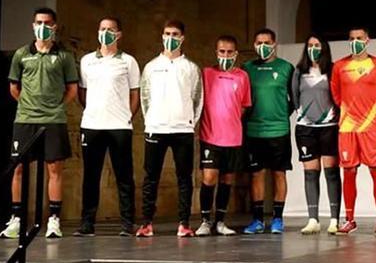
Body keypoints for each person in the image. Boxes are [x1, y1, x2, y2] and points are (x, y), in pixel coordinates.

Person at [0, 8, 78, 239]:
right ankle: (16, 219)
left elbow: (72, 89)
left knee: (54, 169)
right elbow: (14, 87)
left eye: (47, 22)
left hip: (53, 120)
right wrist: (28, 104)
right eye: (38, 22)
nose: (42, 26)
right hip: (25, 119)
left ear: (54, 26)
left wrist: (55, 107)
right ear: (33, 25)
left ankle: (54, 220)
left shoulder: (63, 56)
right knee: (19, 168)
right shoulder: (22, 54)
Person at [137, 19, 203, 237]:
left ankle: (184, 223)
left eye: (175, 34)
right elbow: (145, 98)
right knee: (151, 177)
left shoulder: (191, 68)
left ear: (182, 38)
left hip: (183, 130)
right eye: (167, 33)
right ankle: (147, 223)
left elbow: (197, 99)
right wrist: (151, 121)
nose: (171, 38)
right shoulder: (151, 67)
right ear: (162, 36)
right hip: (156, 128)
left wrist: (189, 122)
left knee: (184, 178)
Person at [75, 16, 140, 236]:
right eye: (102, 28)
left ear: (119, 34)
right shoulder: (86, 61)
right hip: (92, 125)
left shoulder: (128, 61)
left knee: (124, 176)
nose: (106, 32)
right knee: (91, 176)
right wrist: (93, 110)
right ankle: (87, 223)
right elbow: (82, 93)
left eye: (110, 29)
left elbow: (134, 94)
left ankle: (127, 222)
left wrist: (126, 117)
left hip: (119, 126)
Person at [330, 27, 376, 234]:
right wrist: (349, 115)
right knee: (348, 172)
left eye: (359, 38)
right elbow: (336, 95)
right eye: (352, 39)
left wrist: (374, 117)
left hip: (372, 127)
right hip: (348, 127)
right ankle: (349, 219)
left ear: (368, 40)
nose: (356, 41)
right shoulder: (340, 66)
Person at [195, 35, 251, 236]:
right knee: (209, 177)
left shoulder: (242, 77)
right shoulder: (206, 73)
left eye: (229, 52)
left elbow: (244, 106)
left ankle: (220, 221)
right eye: (221, 51)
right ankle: (204, 221)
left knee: (227, 180)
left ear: (235, 54)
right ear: (216, 52)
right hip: (210, 136)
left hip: (233, 138)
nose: (225, 55)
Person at [242, 28, 294, 234]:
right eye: (259, 43)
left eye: (266, 42)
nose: (263, 46)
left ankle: (277, 219)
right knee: (256, 175)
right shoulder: (246, 68)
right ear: (254, 45)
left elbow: (293, 99)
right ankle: (257, 220)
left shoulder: (286, 68)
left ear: (275, 44)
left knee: (279, 174)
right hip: (254, 131)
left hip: (279, 130)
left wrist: (280, 115)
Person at [292, 34, 342, 235]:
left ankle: (334, 219)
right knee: (311, 174)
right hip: (306, 129)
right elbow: (295, 97)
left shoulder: (332, 69)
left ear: (324, 48)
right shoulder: (299, 71)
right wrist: (305, 116)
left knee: (331, 173)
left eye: (317, 45)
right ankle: (313, 219)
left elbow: (338, 95)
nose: (313, 48)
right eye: (310, 45)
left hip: (329, 127)